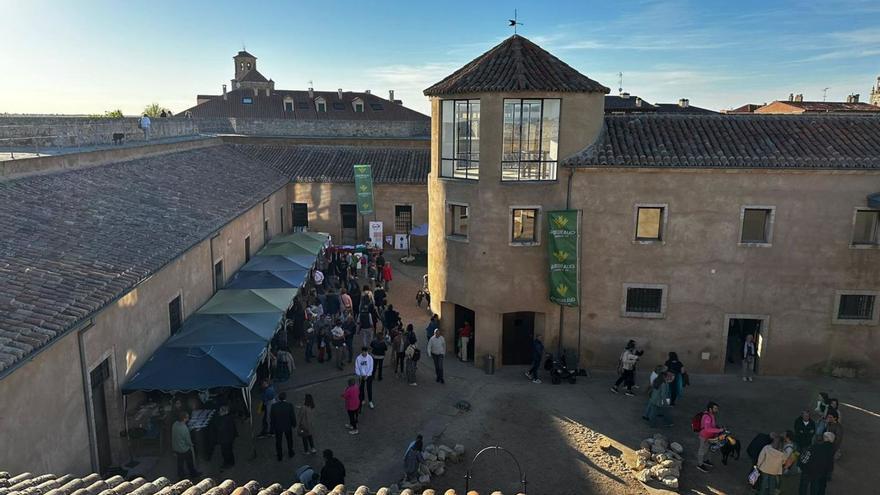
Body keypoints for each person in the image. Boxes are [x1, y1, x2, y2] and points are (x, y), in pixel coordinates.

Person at [172, 411, 201, 479]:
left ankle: (180, 474)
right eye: (187, 417)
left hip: (176, 447)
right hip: (184, 449)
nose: (188, 418)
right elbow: (187, 440)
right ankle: (193, 474)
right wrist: (192, 444)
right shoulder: (184, 428)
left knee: (180, 462)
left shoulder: (175, 424)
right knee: (190, 462)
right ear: (184, 419)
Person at [696, 402, 724, 473]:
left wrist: (717, 428)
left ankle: (706, 461)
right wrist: (719, 430)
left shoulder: (711, 415)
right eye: (715, 408)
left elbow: (712, 426)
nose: (717, 410)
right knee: (702, 450)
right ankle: (700, 464)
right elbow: (707, 429)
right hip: (704, 436)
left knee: (709, 449)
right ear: (710, 409)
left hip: (710, 436)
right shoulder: (707, 417)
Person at [270, 392, 296, 461]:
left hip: (278, 427)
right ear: (285, 397)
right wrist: (294, 424)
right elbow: (292, 416)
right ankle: (290, 452)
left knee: (278, 441)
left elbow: (272, 418)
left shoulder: (274, 406)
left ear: (278, 398)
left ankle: (280, 455)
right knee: (289, 440)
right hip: (287, 426)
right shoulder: (289, 405)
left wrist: (272, 428)